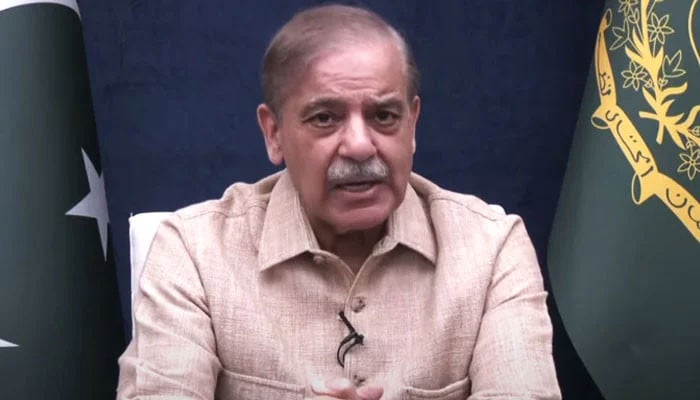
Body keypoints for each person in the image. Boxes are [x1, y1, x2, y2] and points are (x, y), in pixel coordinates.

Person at [117, 4, 561, 400]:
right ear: (274, 133)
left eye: (383, 116)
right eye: (325, 118)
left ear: (412, 124)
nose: (360, 146)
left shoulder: (493, 249)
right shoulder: (194, 252)